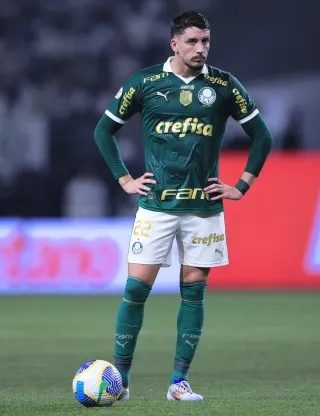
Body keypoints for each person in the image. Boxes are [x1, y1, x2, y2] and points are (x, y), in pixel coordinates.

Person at [93, 10, 273, 402]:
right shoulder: (146, 83)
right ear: (174, 44)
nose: (200, 48)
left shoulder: (224, 85)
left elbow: (262, 136)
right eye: (192, 41)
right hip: (156, 206)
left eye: (205, 41)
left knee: (194, 292)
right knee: (136, 290)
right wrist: (125, 179)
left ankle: (179, 382)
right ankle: (119, 382)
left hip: (202, 209)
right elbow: (103, 130)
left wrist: (242, 184)